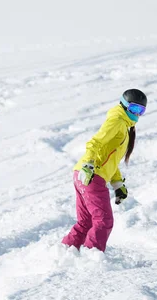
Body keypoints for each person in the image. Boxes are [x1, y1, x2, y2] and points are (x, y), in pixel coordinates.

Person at [62, 89, 147, 252]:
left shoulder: (124, 125)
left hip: (82, 174)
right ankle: (91, 257)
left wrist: (117, 183)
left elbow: (111, 159)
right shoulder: (117, 120)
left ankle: (65, 251)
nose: (137, 114)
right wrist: (88, 163)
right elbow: (96, 142)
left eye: (141, 111)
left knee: (85, 222)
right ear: (124, 104)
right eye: (134, 109)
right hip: (91, 175)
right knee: (104, 221)